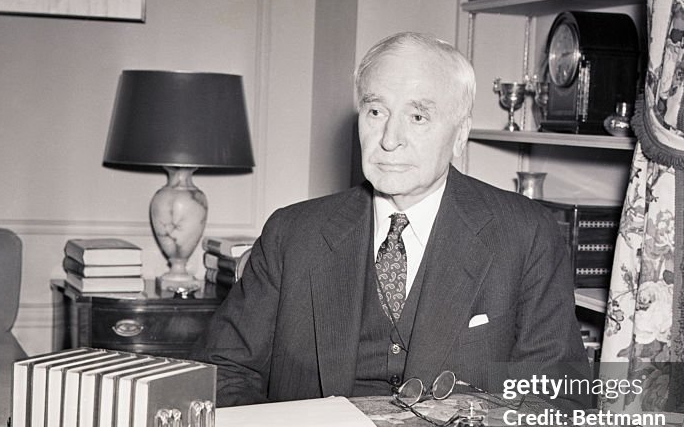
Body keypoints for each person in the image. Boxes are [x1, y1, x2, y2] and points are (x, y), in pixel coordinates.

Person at [197, 31, 589, 406]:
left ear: (460, 135)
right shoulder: (292, 234)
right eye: (375, 111)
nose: (389, 139)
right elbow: (220, 372)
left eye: (417, 116)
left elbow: (555, 399)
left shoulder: (526, 235)